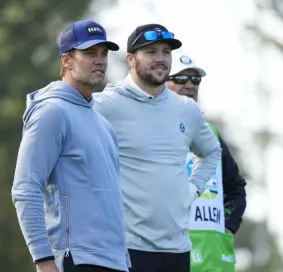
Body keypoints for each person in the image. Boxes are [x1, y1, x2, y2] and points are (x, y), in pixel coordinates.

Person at [93, 24, 222, 272]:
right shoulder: (106, 105)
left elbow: (211, 151)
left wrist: (193, 188)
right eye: (151, 52)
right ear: (130, 59)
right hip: (125, 248)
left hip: (178, 250)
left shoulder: (186, 109)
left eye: (165, 51)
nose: (161, 59)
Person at [12, 20, 130, 272]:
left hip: (114, 261)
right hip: (74, 259)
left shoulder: (103, 124)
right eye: (89, 54)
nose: (100, 61)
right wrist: (43, 259)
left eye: (103, 54)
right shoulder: (51, 112)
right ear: (67, 61)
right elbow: (25, 188)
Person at [167, 51, 247, 272]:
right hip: (170, 255)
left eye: (196, 80)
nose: (190, 85)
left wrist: (227, 226)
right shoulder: (153, 130)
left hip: (213, 259)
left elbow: (236, 188)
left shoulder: (211, 133)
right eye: (181, 79)